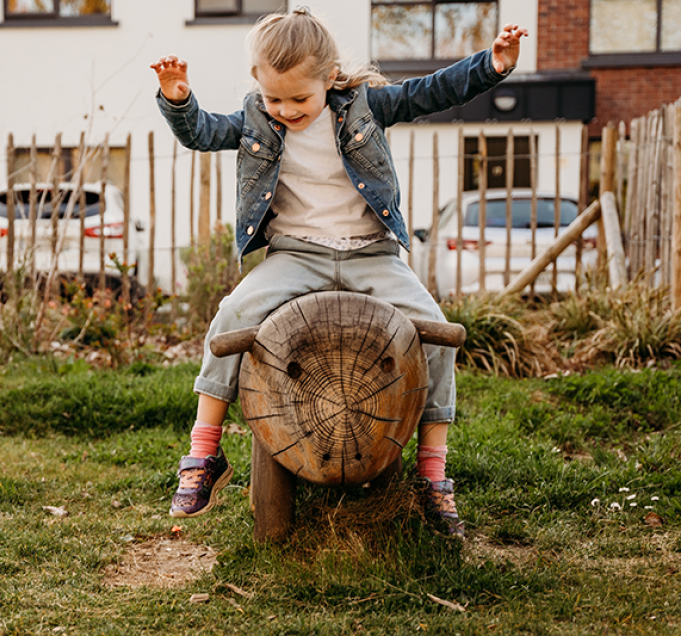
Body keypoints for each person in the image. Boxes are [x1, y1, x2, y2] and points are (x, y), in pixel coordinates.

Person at [151, 7, 527, 537]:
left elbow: (432, 91)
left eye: (299, 99)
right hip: (295, 256)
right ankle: (203, 453)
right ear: (258, 86)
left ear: (330, 79)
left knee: (438, 334)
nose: (285, 110)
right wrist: (178, 100)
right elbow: (203, 134)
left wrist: (492, 64)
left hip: (370, 255)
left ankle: (432, 472)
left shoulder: (366, 108)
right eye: (273, 98)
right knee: (231, 316)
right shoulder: (257, 118)